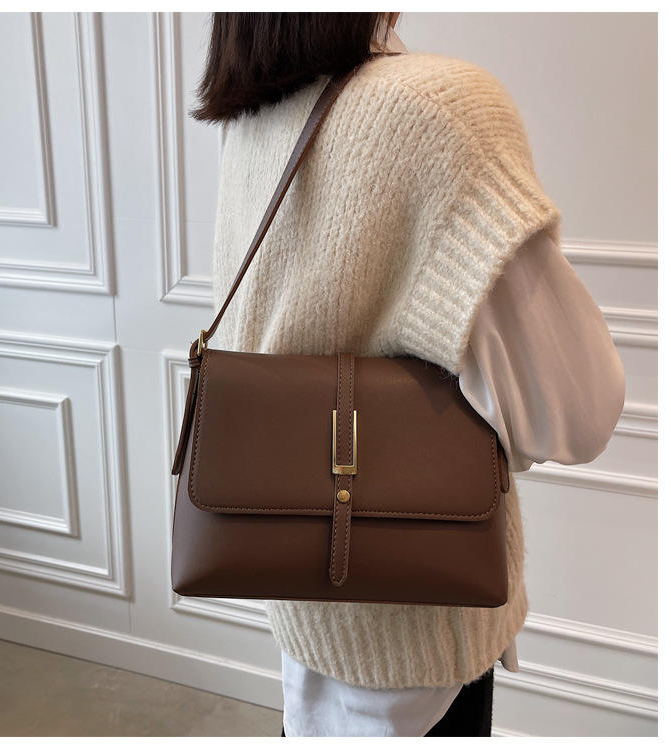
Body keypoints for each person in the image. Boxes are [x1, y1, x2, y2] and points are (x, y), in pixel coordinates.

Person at [190, 12, 625, 737]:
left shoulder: (253, 113)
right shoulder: (442, 113)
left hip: (301, 610)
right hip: (420, 636)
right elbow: (578, 413)